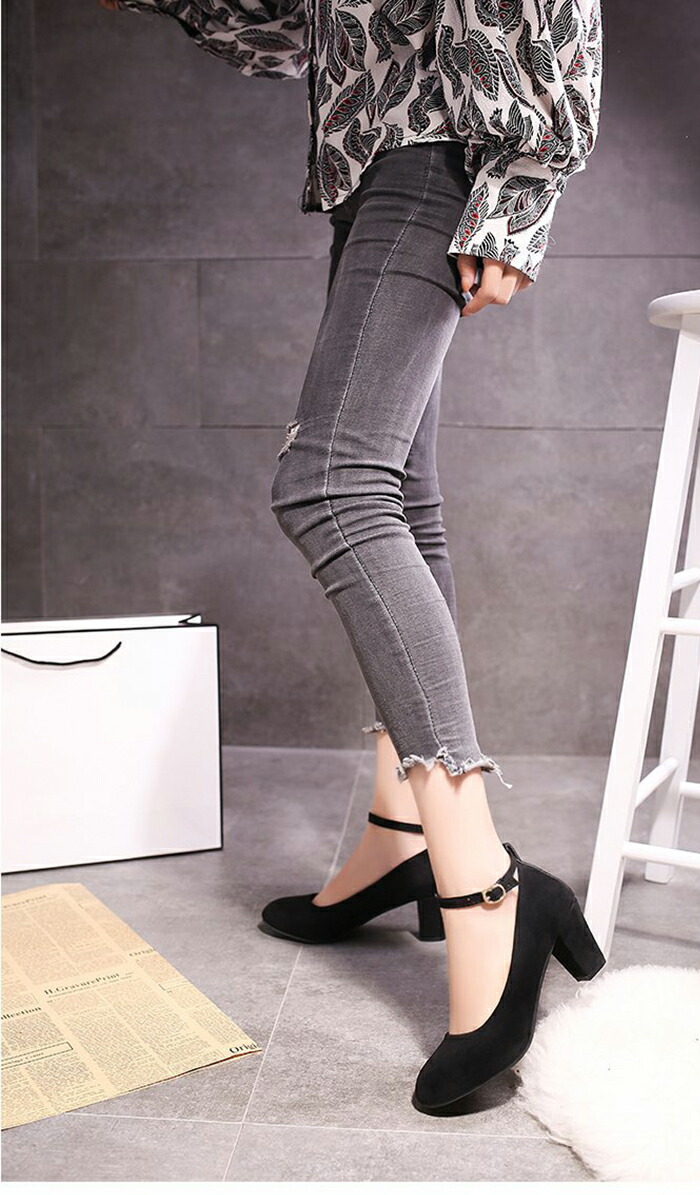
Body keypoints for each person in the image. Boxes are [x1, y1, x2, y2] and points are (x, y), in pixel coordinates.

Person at [102, 0, 606, 1113]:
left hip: (439, 150)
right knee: (401, 497)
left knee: (332, 485)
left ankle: (487, 886)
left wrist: (518, 188)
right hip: (377, 158)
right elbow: (303, 26)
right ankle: (395, 837)